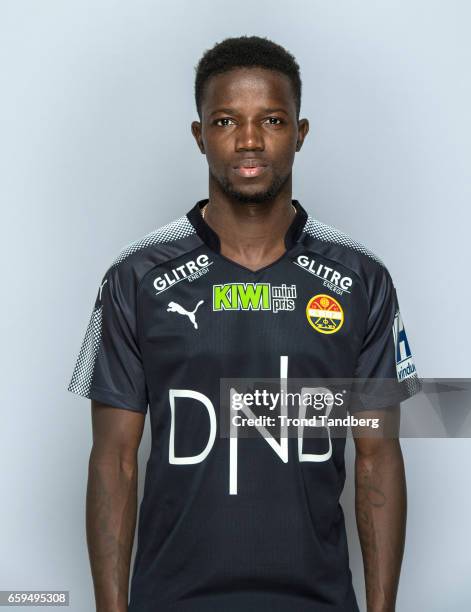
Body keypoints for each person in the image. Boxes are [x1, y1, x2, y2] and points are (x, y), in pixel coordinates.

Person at [68, 35, 421, 612]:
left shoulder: (361, 279)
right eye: (227, 120)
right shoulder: (133, 278)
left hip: (319, 599)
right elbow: (114, 460)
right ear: (199, 134)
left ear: (300, 133)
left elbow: (378, 455)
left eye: (273, 120)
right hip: (171, 600)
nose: (250, 140)